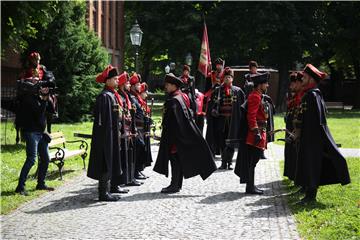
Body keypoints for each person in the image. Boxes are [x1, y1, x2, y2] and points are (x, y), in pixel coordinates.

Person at [293, 64, 350, 203]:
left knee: (312, 164)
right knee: (307, 163)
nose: (303, 79)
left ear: (311, 79)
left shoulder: (313, 95)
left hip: (313, 137)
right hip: (308, 136)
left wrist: (308, 135)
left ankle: (310, 196)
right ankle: (307, 190)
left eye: (305, 77)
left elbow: (316, 120)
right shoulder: (310, 94)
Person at [154, 73, 217, 193]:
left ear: (173, 85)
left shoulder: (174, 101)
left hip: (175, 136)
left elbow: (173, 122)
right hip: (183, 134)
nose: (166, 87)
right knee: (178, 159)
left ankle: (174, 185)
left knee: (175, 160)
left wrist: (169, 138)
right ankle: (177, 184)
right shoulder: (182, 96)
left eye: (167, 84)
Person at [14, 56, 56, 196]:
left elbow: (50, 110)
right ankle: (20, 187)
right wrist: (44, 99)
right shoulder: (28, 98)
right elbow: (39, 112)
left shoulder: (39, 95)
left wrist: (47, 97)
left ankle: (40, 183)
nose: (38, 83)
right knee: (31, 159)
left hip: (40, 131)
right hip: (31, 132)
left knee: (45, 158)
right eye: (34, 80)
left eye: (38, 80)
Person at [87, 65, 123, 201]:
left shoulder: (111, 95)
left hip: (111, 135)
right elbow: (104, 121)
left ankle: (107, 191)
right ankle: (103, 193)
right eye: (115, 79)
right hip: (105, 136)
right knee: (105, 162)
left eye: (118, 78)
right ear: (107, 80)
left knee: (109, 162)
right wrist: (108, 137)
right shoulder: (104, 97)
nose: (117, 81)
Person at [234, 72, 270, 194]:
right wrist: (256, 132)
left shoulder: (258, 95)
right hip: (254, 134)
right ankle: (250, 187)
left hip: (259, 131)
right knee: (252, 161)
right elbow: (251, 116)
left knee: (253, 161)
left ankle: (251, 186)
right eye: (265, 83)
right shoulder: (255, 96)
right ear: (260, 85)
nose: (267, 85)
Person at [210, 67, 246, 170]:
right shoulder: (218, 90)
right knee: (222, 142)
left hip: (233, 121)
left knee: (231, 142)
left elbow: (243, 106)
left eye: (229, 77)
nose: (227, 79)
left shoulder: (238, 91)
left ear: (232, 79)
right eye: (225, 77)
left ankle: (229, 162)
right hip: (221, 120)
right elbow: (212, 105)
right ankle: (223, 162)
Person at [283, 72, 303, 181]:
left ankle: (294, 174)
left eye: (292, 84)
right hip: (290, 128)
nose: (291, 87)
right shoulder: (294, 96)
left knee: (294, 152)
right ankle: (291, 173)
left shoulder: (300, 97)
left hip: (295, 129)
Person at [128, 73, 148, 182]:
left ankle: (137, 171)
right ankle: (135, 172)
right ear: (132, 86)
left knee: (140, 148)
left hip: (140, 127)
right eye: (137, 84)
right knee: (137, 149)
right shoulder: (131, 97)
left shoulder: (135, 97)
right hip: (135, 127)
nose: (140, 86)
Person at [205, 57, 225, 156]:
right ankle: (210, 149)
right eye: (217, 65)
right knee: (211, 127)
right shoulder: (211, 75)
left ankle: (220, 150)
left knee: (220, 128)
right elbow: (206, 90)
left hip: (222, 102)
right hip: (212, 101)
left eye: (220, 65)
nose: (218, 66)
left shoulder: (226, 74)